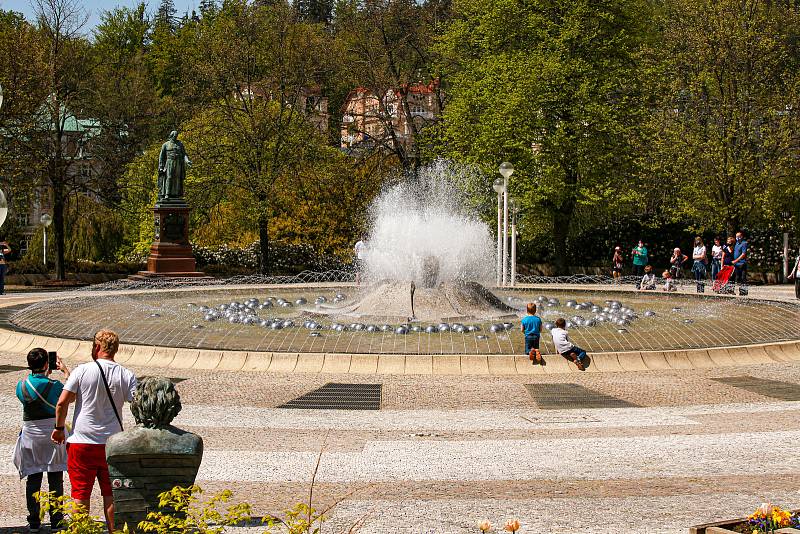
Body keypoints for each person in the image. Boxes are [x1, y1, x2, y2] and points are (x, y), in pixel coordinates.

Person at [51, 330, 137, 533]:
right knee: (112, 495)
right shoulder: (126, 374)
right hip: (113, 445)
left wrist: (59, 429)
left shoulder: (82, 370)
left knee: (80, 494)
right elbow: (139, 405)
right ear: (116, 349)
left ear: (97, 347)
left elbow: (62, 403)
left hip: (82, 443)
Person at [14, 348, 70, 533]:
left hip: (31, 435)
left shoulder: (21, 386)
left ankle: (34, 521)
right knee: (55, 478)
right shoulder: (54, 385)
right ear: (47, 364)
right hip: (52, 434)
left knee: (34, 478)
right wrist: (66, 372)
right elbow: (67, 397)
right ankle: (56, 521)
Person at [733, 231, 748, 296]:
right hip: (736, 264)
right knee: (738, 278)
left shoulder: (744, 243)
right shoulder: (736, 244)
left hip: (742, 263)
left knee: (743, 278)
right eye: (736, 236)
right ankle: (741, 291)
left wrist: (736, 260)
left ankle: (744, 292)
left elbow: (743, 254)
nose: (737, 238)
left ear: (741, 236)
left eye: (739, 236)